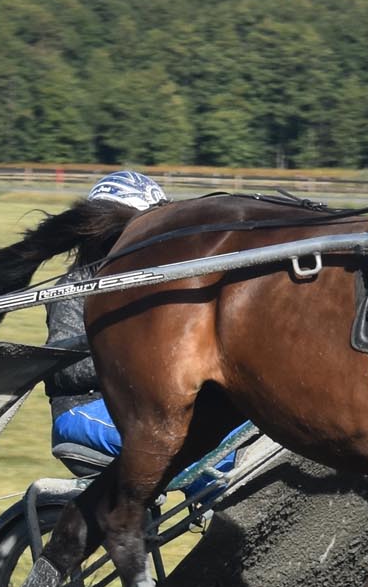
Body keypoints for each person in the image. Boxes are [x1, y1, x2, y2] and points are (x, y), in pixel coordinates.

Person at [44, 170, 239, 491]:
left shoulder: (146, 283)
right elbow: (66, 369)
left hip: (144, 406)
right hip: (84, 412)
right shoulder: (74, 286)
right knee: (210, 454)